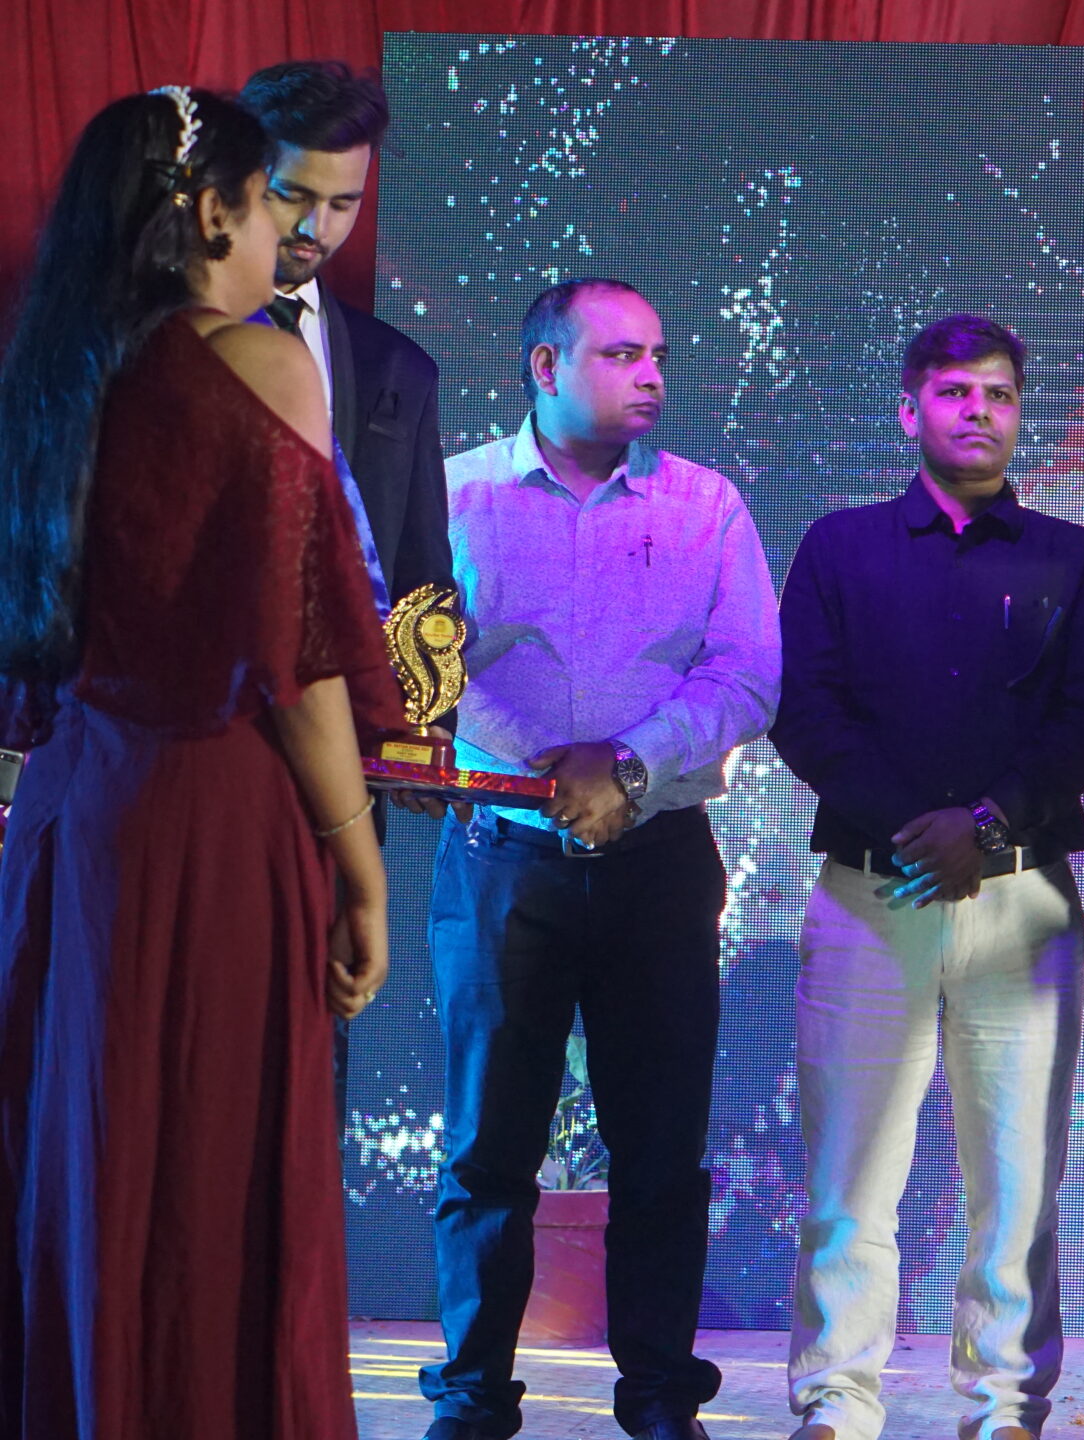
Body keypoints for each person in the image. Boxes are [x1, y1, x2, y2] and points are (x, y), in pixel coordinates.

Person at [0, 86, 400, 1439]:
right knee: (210, 1172)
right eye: (277, 201)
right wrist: (359, 865)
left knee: (85, 1159)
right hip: (211, 813)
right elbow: (298, 659)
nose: (298, 232)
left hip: (73, 811)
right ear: (216, 212)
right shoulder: (259, 365)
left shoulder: (53, 374)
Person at [416, 277, 782, 1440]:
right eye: (622, 354)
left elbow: (747, 674)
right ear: (545, 367)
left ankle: (661, 1397)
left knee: (661, 1151)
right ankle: (473, 1399)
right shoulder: (454, 494)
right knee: (487, 1149)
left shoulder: (706, 503)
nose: (653, 375)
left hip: (659, 856)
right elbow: (417, 664)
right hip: (501, 856)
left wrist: (623, 767)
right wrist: (553, 769)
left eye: (658, 353)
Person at [768, 314, 1084, 1440]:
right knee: (849, 1178)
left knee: (1016, 1185)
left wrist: (986, 823)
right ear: (909, 409)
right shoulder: (840, 547)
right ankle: (836, 1402)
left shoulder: (1071, 557)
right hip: (872, 893)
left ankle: (1004, 1407)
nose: (980, 411)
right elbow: (804, 712)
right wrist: (915, 828)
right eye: (957, 391)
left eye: (1000, 394)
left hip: (1022, 903)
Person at [239, 56, 455, 1114]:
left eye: (344, 203)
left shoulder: (397, 369)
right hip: (191, 755)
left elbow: (421, 577)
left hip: (341, 783)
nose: (316, 228)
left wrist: (421, 726)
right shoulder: (147, 342)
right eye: (296, 194)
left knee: (306, 1078)